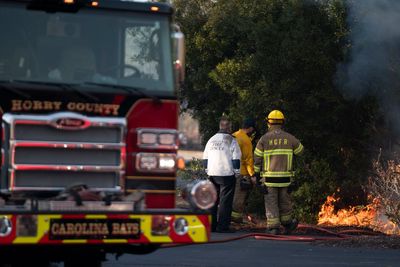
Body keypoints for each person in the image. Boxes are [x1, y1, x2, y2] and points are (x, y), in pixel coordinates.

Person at [253, 110, 304, 235]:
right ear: (282, 122)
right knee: (284, 201)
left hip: (269, 178)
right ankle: (287, 224)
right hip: (285, 178)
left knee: (271, 202)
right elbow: (301, 151)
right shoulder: (289, 138)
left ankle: (273, 227)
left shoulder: (264, 139)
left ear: (268, 123)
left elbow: (257, 158)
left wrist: (256, 175)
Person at [203, 117, 242, 233]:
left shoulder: (211, 139)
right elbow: (236, 158)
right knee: (225, 200)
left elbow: (205, 158)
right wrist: (237, 172)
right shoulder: (231, 140)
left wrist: (207, 170)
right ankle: (223, 226)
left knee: (213, 200)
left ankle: (211, 226)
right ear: (229, 128)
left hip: (212, 173)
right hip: (226, 173)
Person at [231, 118, 257, 223]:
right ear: (250, 128)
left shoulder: (234, 135)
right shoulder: (246, 140)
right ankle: (235, 219)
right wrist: (252, 175)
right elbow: (248, 160)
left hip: (229, 172)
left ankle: (229, 217)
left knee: (230, 196)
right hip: (241, 173)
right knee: (239, 198)